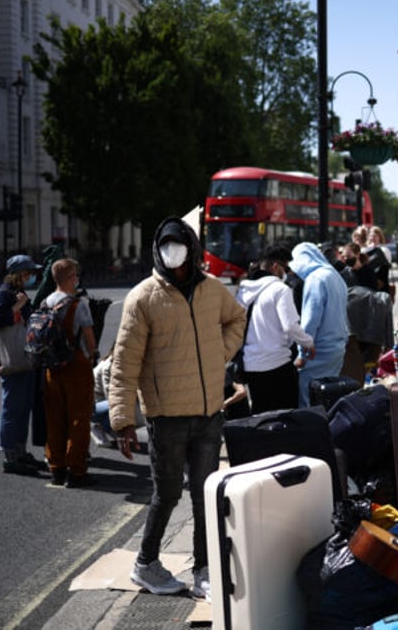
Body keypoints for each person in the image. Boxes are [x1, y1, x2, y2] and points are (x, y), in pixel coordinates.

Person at [109, 216, 246, 600]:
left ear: (194, 252)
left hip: (208, 414)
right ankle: (145, 564)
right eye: (169, 253)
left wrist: (221, 353)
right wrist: (121, 419)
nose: (178, 262)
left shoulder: (212, 289)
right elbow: (125, 363)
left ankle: (204, 567)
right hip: (166, 417)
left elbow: (237, 317)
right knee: (167, 494)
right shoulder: (143, 297)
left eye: (182, 253)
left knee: (205, 494)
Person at [235, 245, 316, 412]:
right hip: (277, 364)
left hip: (250, 365)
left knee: (260, 415)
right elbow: (290, 326)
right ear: (276, 267)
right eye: (286, 267)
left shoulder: (243, 290)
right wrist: (308, 343)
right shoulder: (280, 289)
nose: (287, 272)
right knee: (285, 418)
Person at [42, 258, 98, 487]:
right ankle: (76, 471)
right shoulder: (78, 305)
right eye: (75, 275)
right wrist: (93, 354)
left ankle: (56, 468)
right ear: (69, 279)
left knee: (55, 418)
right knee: (78, 418)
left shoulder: (45, 302)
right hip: (75, 365)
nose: (77, 279)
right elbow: (89, 338)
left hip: (51, 367)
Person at [0, 254, 47, 476]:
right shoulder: (5, 294)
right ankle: (10, 455)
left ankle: (21, 451)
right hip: (14, 360)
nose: (32, 277)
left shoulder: (16, 293)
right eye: (29, 273)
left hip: (26, 359)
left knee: (23, 409)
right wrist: (17, 307)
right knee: (12, 409)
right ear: (19, 274)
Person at [289, 242, 349, 407]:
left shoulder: (315, 279)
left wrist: (302, 352)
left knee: (309, 401)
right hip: (336, 347)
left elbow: (310, 320)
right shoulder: (334, 275)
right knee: (328, 397)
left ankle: (314, 432)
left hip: (318, 351)